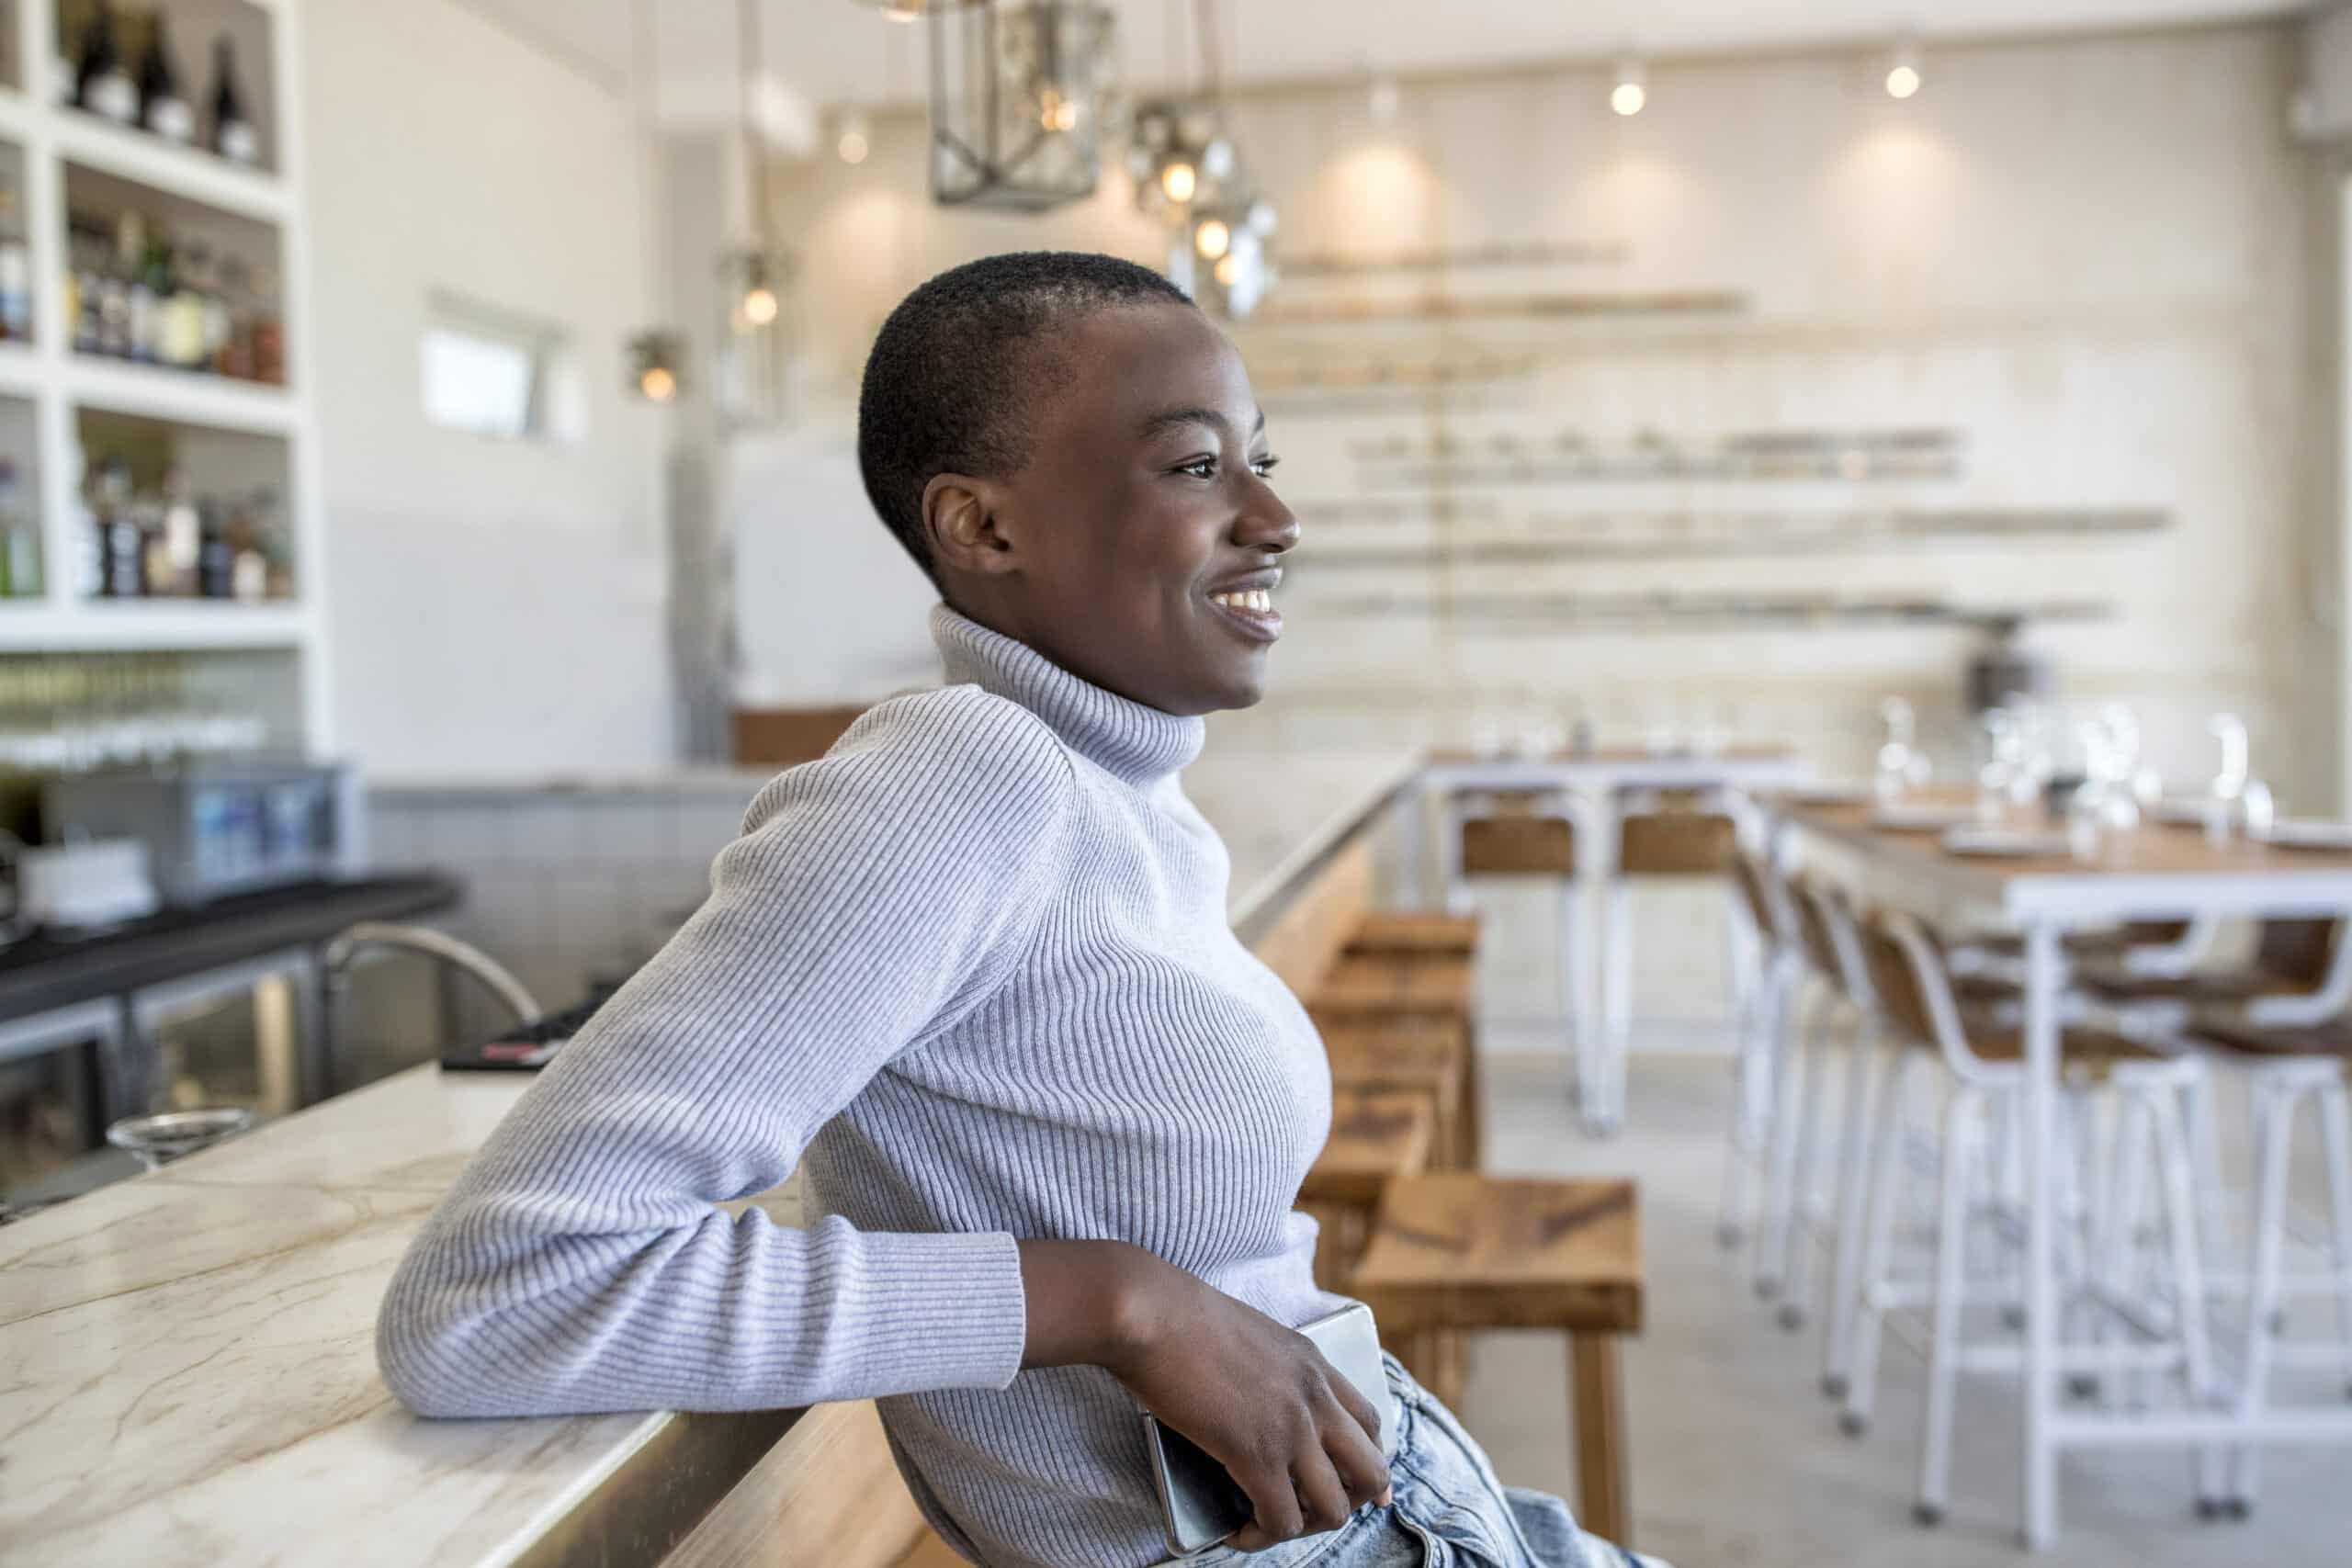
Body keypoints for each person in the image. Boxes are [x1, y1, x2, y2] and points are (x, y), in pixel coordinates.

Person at [378, 252, 1662, 1568]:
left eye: (1258, 459)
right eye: (1195, 465)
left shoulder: (1119, 789)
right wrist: (1120, 1305)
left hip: (1411, 1504)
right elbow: (498, 1294)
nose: (1273, 517)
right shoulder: (957, 778)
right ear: (983, 529)